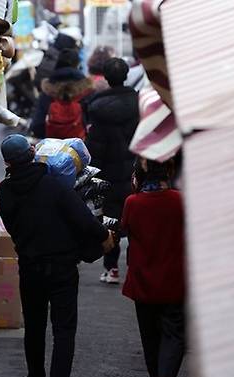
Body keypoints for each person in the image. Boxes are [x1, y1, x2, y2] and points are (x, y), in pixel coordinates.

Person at [0, 134, 115, 377]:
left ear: (7, 163)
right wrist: (105, 236)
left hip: (29, 268)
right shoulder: (54, 186)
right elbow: (83, 220)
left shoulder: (4, 192)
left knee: (34, 328)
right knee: (64, 330)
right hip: (62, 268)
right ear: (32, 154)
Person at [121, 158, 186, 377]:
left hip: (143, 281)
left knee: (149, 337)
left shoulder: (132, 203)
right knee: (175, 333)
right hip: (175, 279)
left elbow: (125, 229)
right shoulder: (180, 201)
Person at [84, 58, 139, 284]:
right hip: (137, 172)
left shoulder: (97, 108)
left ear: (105, 77)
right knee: (138, 221)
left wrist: (92, 176)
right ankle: (136, 268)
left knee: (111, 220)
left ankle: (112, 267)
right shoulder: (139, 103)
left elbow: (95, 147)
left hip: (109, 174)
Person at [29, 48, 93, 139]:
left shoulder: (48, 90)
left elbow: (37, 125)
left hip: (53, 145)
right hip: (80, 144)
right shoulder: (86, 90)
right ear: (78, 64)